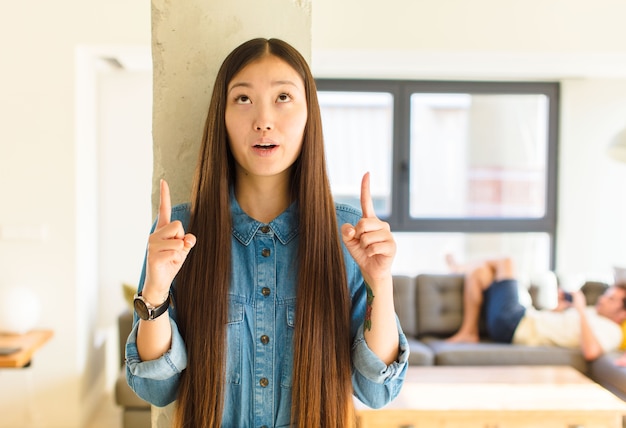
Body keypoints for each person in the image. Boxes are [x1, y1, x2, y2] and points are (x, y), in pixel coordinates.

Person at [125, 38, 409, 428]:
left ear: (310, 114)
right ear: (221, 117)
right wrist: (155, 292)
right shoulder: (178, 234)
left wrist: (381, 281)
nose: (263, 120)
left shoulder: (348, 236)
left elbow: (376, 391)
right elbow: (157, 390)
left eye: (283, 97)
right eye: (243, 99)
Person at [445, 256, 626, 361]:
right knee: (482, 273)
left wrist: (580, 309)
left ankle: (458, 268)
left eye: (611, 299)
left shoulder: (612, 331)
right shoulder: (593, 312)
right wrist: (559, 309)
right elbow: (556, 326)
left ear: (622, 313)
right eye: (605, 294)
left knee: (507, 261)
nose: (602, 299)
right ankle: (469, 332)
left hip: (515, 324)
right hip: (521, 318)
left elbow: (591, 351)